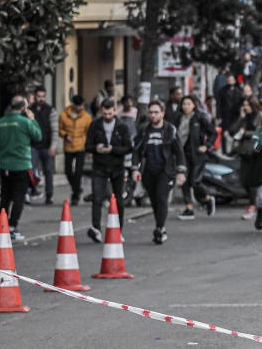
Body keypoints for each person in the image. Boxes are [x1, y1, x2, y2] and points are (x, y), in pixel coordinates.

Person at [131, 100, 186, 245]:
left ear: (162, 113)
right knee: (155, 201)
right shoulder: (144, 130)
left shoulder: (170, 130)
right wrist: (135, 168)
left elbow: (179, 152)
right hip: (149, 171)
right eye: (150, 112)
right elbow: (136, 150)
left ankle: (160, 228)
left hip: (166, 171)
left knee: (162, 197)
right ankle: (160, 226)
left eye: (156, 112)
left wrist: (181, 171)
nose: (153, 115)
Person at [84, 99, 134, 241]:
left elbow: (129, 147)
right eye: (104, 113)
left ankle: (118, 230)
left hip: (117, 167)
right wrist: (96, 148)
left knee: (119, 200)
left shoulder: (122, 126)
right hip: (99, 166)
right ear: (101, 111)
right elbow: (87, 145)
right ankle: (96, 229)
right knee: (97, 198)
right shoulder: (95, 125)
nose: (107, 116)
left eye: (109, 113)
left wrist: (113, 149)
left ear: (115, 110)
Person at [0, 97, 41, 240]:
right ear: (23, 109)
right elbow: (38, 136)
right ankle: (12, 227)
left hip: (5, 166)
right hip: (22, 165)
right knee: (19, 197)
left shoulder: (1, 122)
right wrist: (32, 119)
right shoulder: (25, 122)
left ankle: (2, 226)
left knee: (5, 197)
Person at [176, 95, 216, 220]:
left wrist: (206, 145)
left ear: (194, 105)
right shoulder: (178, 119)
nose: (186, 107)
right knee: (184, 181)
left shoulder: (199, 118)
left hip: (197, 155)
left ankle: (208, 199)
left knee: (195, 182)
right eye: (184, 104)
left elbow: (213, 132)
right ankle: (189, 208)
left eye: (189, 104)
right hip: (182, 154)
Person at [232, 96, 262, 221]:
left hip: (255, 151)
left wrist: (245, 133)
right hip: (244, 151)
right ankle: (255, 200)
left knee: (252, 180)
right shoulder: (245, 117)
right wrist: (242, 117)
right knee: (244, 179)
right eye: (245, 105)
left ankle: (253, 206)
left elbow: (260, 132)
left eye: (249, 105)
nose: (246, 108)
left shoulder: (260, 116)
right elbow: (234, 129)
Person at [58, 95, 93, 205]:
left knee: (78, 171)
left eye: (82, 105)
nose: (80, 108)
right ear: (73, 104)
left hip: (81, 146)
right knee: (68, 171)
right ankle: (76, 188)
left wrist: (89, 150)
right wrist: (65, 135)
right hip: (68, 146)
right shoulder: (64, 115)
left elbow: (89, 133)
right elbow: (60, 129)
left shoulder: (87, 117)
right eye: (78, 105)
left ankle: (75, 195)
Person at [29, 87, 58, 204]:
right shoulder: (30, 110)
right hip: (33, 146)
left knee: (49, 171)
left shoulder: (51, 110)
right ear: (35, 96)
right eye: (39, 96)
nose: (41, 98)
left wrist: (53, 146)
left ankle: (49, 195)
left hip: (47, 145)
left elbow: (55, 129)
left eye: (43, 96)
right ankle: (30, 192)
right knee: (30, 170)